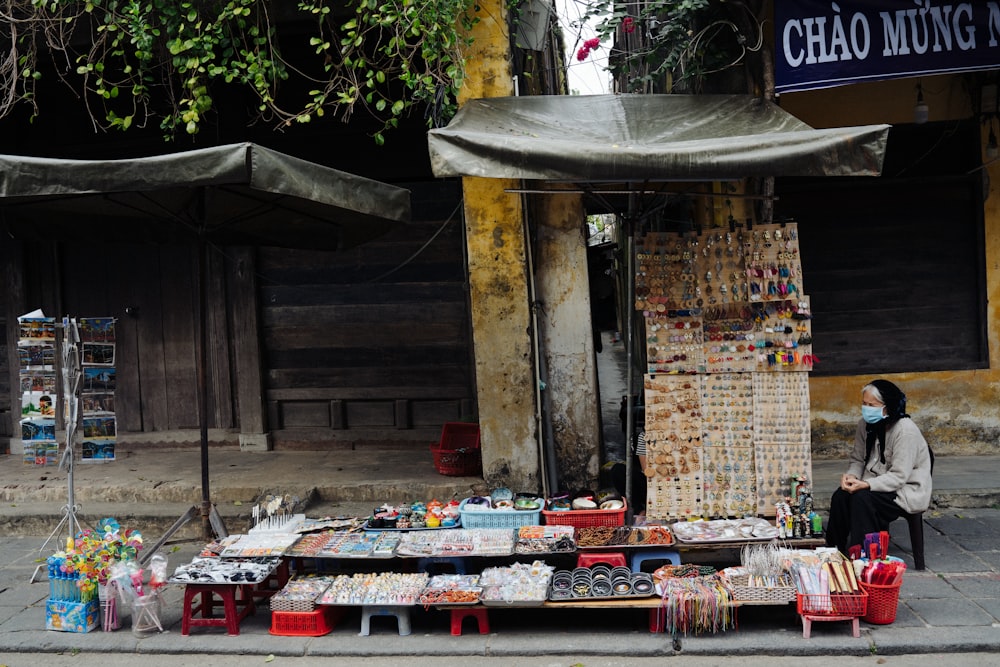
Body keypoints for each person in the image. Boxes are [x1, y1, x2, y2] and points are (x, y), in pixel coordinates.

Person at [825, 379, 933, 556]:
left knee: (862, 499)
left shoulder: (905, 430)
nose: (867, 409)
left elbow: (899, 476)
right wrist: (851, 477)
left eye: (872, 405)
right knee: (841, 495)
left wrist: (866, 485)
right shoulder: (864, 425)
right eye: (864, 404)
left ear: (887, 406)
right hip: (873, 482)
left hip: (903, 490)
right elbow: (858, 460)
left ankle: (861, 556)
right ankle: (832, 550)